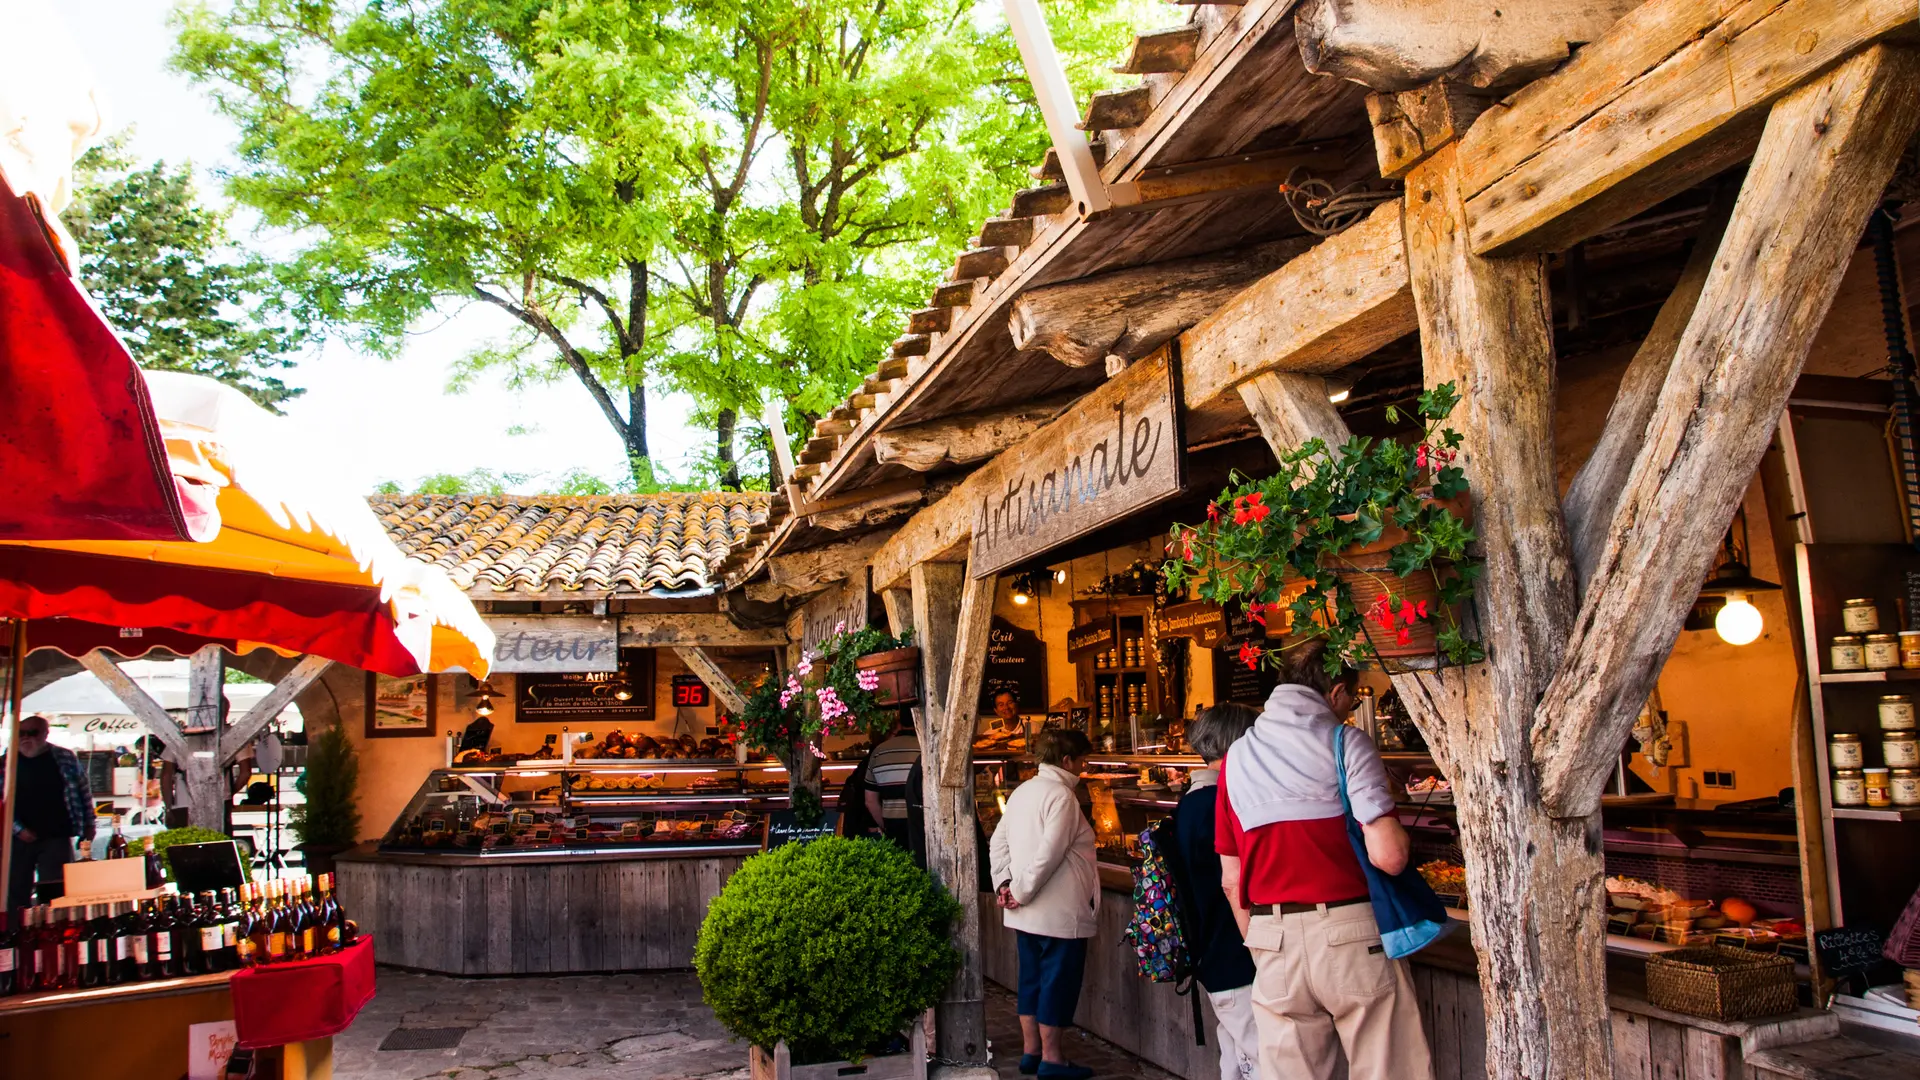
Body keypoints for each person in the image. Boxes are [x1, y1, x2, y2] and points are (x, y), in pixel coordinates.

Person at [1216, 643, 1431, 1080]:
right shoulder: (1346, 742)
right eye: (1351, 698)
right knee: (1387, 1069)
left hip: (1271, 937)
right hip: (1351, 931)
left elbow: (1231, 880)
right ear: (1335, 693)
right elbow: (1389, 857)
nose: (1350, 708)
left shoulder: (1235, 758)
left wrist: (1261, 944)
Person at [989, 728, 1098, 1080]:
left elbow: (997, 843)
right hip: (1058, 912)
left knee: (1032, 980)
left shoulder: (1023, 791)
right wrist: (1020, 891)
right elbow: (1048, 856)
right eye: (1081, 760)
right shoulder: (1062, 797)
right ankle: (1052, 1060)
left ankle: (1031, 1052)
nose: (1083, 767)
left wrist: (1004, 884)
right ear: (1066, 760)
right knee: (1056, 983)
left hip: (1025, 913)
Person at [1178, 703, 1261, 1080]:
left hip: (1214, 956)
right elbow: (1234, 882)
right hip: (1236, 956)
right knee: (1263, 1061)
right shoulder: (1218, 805)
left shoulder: (1192, 802)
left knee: (1235, 1061)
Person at [5, 714, 94, 908]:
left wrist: (89, 824)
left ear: (46, 734)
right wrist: (19, 830)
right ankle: (15, 926)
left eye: (33, 732)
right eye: (21, 733)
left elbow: (83, 791)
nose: (26, 737)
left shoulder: (64, 757)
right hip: (18, 838)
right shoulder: (6, 761)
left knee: (56, 892)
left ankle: (55, 925)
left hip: (57, 834)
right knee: (16, 892)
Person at [865, 714, 921, 851]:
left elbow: (870, 801)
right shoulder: (925, 747)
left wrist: (885, 826)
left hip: (893, 823)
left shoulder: (879, 752)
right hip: (924, 821)